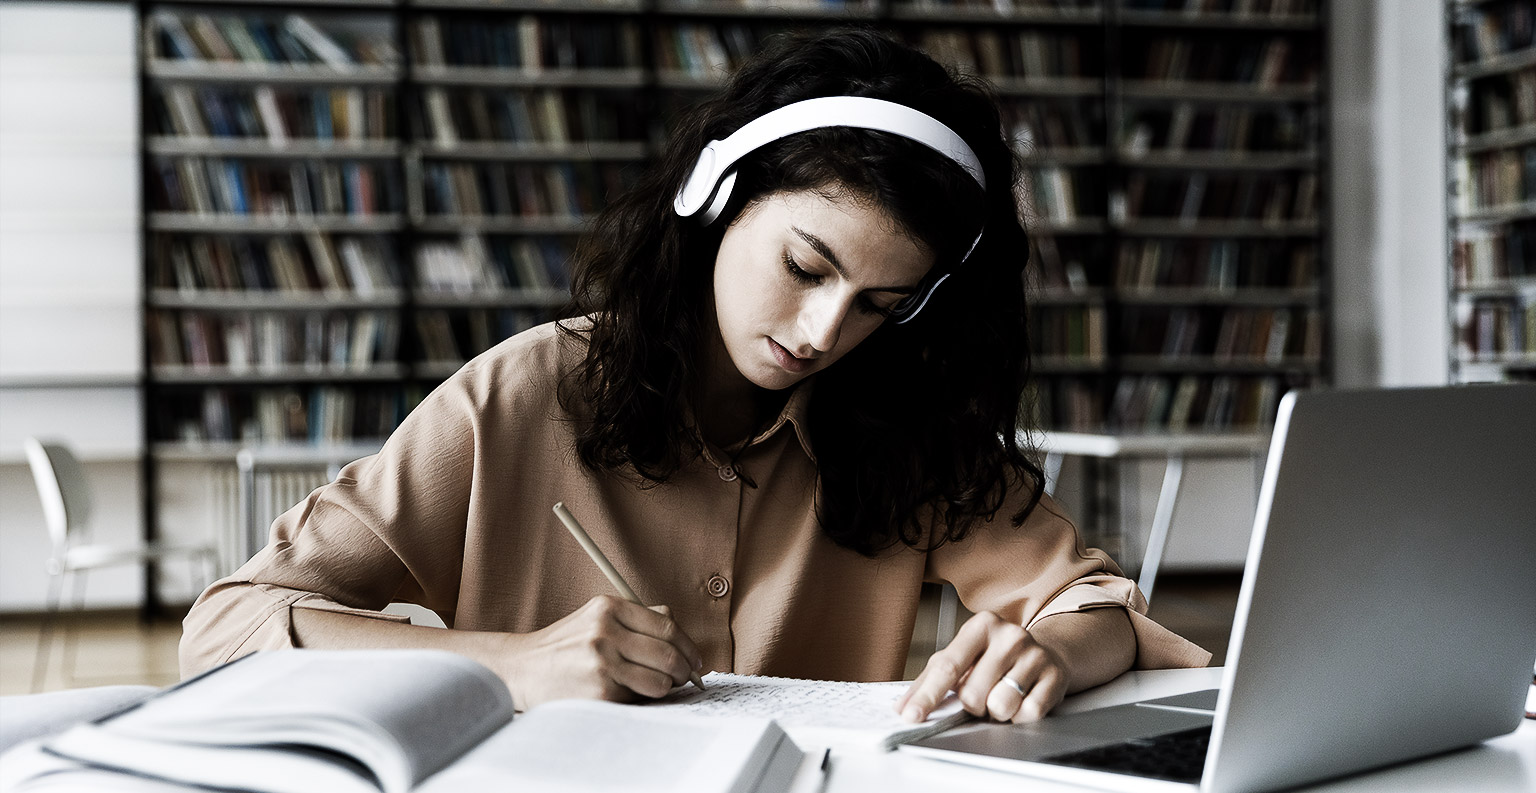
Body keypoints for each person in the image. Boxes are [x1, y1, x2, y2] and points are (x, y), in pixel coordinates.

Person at [180, 27, 1209, 725]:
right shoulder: (524, 394)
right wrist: (510, 662)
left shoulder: (905, 421)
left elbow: (1094, 604)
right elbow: (226, 628)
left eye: (880, 305)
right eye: (807, 266)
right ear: (716, 198)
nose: (822, 330)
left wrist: (1062, 651)